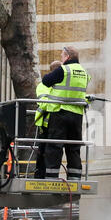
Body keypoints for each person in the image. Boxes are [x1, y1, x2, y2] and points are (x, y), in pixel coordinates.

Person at [40, 46, 91, 180]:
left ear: (67, 56)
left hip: (60, 113)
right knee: (74, 148)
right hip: (77, 115)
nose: (61, 58)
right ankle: (75, 178)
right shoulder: (85, 72)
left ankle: (51, 177)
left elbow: (46, 81)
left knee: (55, 146)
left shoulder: (64, 69)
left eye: (62, 56)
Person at [34, 60, 63, 179]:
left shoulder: (61, 86)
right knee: (43, 150)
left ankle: (50, 175)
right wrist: (59, 105)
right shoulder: (43, 85)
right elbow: (44, 103)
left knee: (55, 149)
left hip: (57, 122)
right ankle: (40, 175)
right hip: (45, 123)